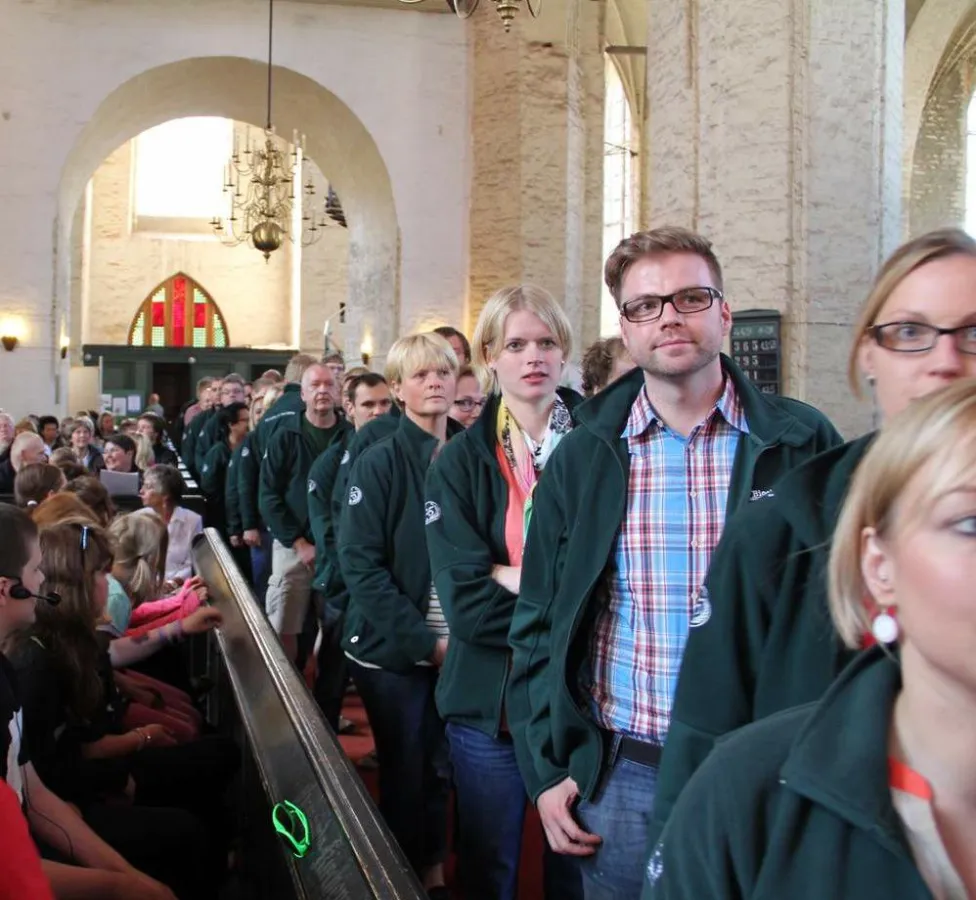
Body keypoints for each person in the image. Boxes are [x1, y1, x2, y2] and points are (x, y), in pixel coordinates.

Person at [506, 226, 843, 900]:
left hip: (766, 764)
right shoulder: (584, 456)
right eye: (645, 305)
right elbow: (539, 621)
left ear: (722, 311)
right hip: (626, 771)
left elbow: (841, 612)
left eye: (690, 297)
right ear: (626, 330)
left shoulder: (803, 440)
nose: (669, 317)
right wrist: (547, 767)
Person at [649, 227, 976, 860]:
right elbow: (701, 740)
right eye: (909, 332)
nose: (944, 360)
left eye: (975, 333)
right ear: (867, 359)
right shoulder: (777, 534)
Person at [426, 285, 583, 900]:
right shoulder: (461, 461)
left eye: (546, 342)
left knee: (576, 869)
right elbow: (465, 606)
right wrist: (567, 591)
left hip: (580, 698)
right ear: (490, 355)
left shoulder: (602, 446)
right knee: (491, 869)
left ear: (564, 351)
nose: (533, 356)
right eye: (516, 344)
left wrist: (509, 573)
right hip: (488, 701)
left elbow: (620, 584)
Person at [0, 504, 179, 899]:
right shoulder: (29, 662)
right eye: (35, 570)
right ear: (6, 588)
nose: (43, 579)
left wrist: (127, 875)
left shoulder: (6, 670)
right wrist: (117, 885)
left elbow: (31, 786)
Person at [338, 333, 462, 897]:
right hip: (396, 648)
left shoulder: (471, 452)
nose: (435, 381)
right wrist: (425, 643)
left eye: (443, 371)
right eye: (420, 375)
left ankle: (431, 860)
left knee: (444, 763)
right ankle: (400, 873)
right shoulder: (380, 459)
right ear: (398, 389)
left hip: (460, 640)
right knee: (408, 766)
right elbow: (361, 567)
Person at [306, 372, 392, 730]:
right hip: (344, 586)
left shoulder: (398, 453)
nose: (377, 412)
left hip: (389, 585)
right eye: (368, 405)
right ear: (350, 408)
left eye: (385, 404)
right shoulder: (330, 463)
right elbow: (328, 531)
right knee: (334, 674)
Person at [260, 363, 351, 663]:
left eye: (329, 384)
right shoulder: (284, 435)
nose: (323, 391)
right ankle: (291, 695)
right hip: (292, 545)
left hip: (337, 548)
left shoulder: (349, 435)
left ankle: (323, 702)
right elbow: (269, 496)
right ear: (303, 394)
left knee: (335, 629)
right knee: (285, 623)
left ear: (339, 392)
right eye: (315, 385)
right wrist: (300, 543)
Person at [138, 465, 203, 584]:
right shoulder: (138, 519)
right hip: (145, 586)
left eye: (148, 487)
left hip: (179, 587)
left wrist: (172, 583)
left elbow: (193, 563)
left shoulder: (193, 520)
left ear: (165, 495)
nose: (141, 491)